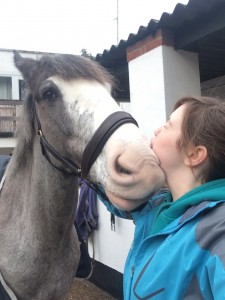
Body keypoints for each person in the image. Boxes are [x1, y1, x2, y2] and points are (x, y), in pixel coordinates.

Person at [99, 96, 225, 299]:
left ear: (194, 154)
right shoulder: (161, 205)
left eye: (168, 125)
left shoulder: (217, 230)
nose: (158, 130)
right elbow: (122, 199)